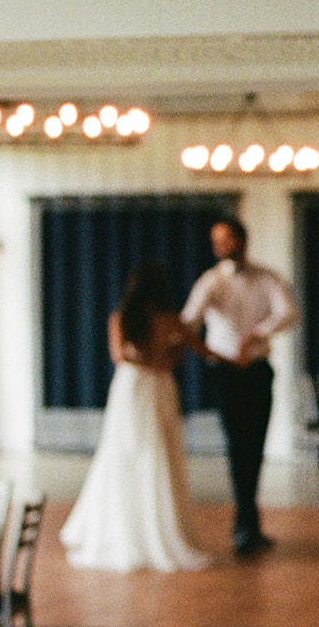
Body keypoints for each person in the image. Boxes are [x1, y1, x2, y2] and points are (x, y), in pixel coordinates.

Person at [60, 261, 211, 572]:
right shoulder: (169, 319)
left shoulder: (122, 317)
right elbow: (194, 349)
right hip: (155, 386)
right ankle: (153, 529)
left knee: (132, 454)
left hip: (134, 386)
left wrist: (158, 358)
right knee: (152, 454)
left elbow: (120, 355)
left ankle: (130, 529)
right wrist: (163, 359)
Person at [181, 217, 299, 556]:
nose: (219, 246)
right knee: (237, 446)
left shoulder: (267, 277)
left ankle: (248, 522)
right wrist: (208, 349)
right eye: (215, 240)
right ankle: (245, 523)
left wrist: (257, 333)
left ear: (243, 240)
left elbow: (289, 312)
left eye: (226, 239)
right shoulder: (211, 281)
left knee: (256, 445)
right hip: (226, 372)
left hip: (258, 370)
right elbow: (189, 320)